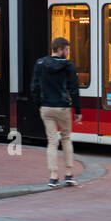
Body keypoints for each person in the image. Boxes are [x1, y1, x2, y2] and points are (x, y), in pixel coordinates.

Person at [31, 36, 81, 188]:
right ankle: (69, 174)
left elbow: (34, 87)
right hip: (62, 107)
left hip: (46, 108)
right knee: (66, 138)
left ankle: (53, 176)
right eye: (66, 49)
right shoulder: (68, 66)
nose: (67, 52)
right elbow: (73, 89)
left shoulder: (40, 63)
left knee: (52, 142)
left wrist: (40, 105)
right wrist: (77, 110)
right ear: (60, 49)